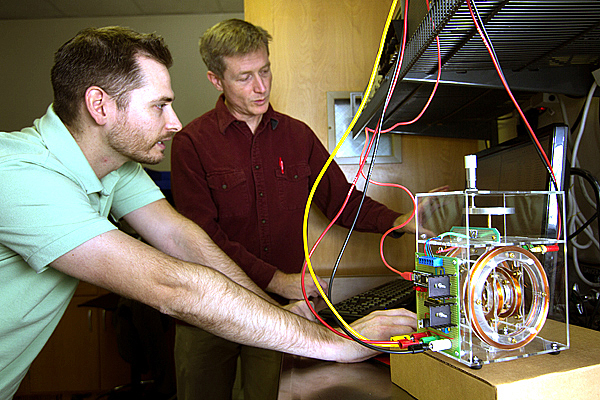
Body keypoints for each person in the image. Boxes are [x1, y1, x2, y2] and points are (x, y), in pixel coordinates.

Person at [0, 26, 417, 400]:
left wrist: (275, 311)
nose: (175, 122)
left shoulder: (116, 164)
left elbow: (185, 240)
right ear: (100, 106)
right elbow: (175, 285)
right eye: (159, 105)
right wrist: (338, 343)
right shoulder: (18, 176)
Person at [170, 19, 419, 400]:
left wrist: (399, 222)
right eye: (245, 77)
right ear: (215, 80)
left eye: (265, 71)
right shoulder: (191, 143)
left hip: (281, 312)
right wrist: (277, 279)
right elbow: (201, 236)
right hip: (209, 307)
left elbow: (341, 201)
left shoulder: (296, 135)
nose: (261, 86)